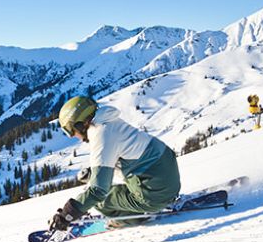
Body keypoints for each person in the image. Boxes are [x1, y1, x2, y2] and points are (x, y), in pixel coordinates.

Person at [50, 95, 181, 231]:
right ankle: (163, 200)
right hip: (166, 176)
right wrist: (93, 173)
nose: (73, 136)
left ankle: (136, 217)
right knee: (113, 189)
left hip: (154, 193)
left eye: (70, 131)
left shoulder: (100, 134)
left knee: (101, 202)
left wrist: (68, 214)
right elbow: (125, 158)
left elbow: (98, 190)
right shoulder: (109, 121)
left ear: (80, 124)